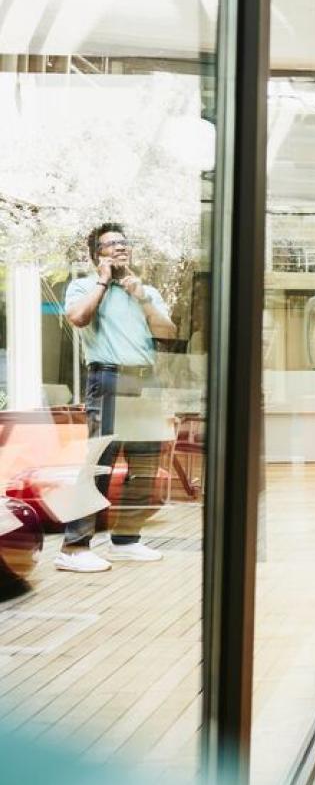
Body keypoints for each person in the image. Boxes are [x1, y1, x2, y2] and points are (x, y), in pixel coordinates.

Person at [58, 223, 177, 573]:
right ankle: (73, 547)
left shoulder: (147, 291)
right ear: (97, 255)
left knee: (144, 462)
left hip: (145, 378)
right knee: (100, 460)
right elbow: (78, 318)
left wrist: (139, 295)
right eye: (110, 245)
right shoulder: (83, 286)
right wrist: (103, 281)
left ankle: (126, 539)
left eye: (123, 243)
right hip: (108, 377)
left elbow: (168, 333)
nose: (120, 248)